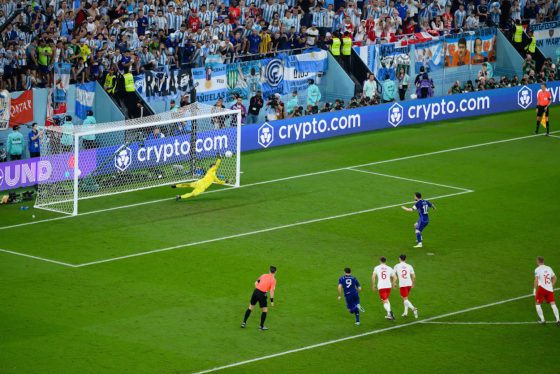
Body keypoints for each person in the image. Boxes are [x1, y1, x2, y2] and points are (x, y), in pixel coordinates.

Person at [241, 266, 277, 330]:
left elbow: (256, 283)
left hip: (256, 291)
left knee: (250, 307)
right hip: (262, 294)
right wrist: (272, 301)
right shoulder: (273, 280)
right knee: (265, 310)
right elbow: (272, 290)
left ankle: (244, 323)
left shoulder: (263, 275)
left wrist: (258, 290)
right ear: (275, 272)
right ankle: (261, 326)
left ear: (269, 271)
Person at [533, 256, 559, 325]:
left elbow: (536, 280)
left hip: (542, 289)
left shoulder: (537, 269)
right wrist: (551, 286)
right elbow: (555, 278)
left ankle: (542, 320)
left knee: (537, 304)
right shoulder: (549, 268)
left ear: (538, 261)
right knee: (553, 304)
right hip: (550, 289)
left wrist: (534, 289)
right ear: (543, 261)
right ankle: (558, 320)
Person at [393, 254, 418, 318]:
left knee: (404, 298)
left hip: (403, 284)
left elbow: (393, 275)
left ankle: (413, 308)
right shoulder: (409, 266)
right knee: (405, 298)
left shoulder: (397, 266)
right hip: (409, 283)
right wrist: (413, 283)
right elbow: (414, 276)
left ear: (399, 259)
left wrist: (394, 283)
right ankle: (405, 313)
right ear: (405, 259)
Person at [372, 256, 396, 321]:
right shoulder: (390, 268)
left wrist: (373, 285)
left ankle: (390, 312)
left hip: (381, 286)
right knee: (386, 299)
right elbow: (395, 277)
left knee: (384, 301)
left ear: (380, 261)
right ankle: (389, 315)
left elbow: (373, 277)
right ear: (386, 261)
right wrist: (393, 284)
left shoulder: (377, 268)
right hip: (388, 286)